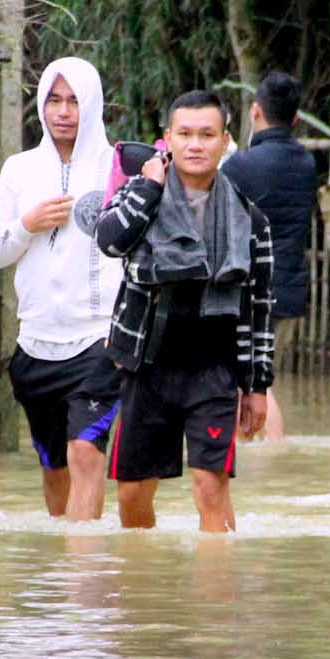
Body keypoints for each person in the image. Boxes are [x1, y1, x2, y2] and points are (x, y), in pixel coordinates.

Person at [95, 90, 276, 531]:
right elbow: (108, 240)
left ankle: (218, 595)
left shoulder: (250, 221)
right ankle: (146, 591)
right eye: (186, 134)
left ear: (226, 141)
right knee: (133, 492)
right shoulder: (141, 195)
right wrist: (151, 187)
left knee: (210, 486)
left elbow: (259, 306)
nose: (196, 144)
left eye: (207, 134)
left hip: (214, 367)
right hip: (147, 362)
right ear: (167, 139)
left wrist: (257, 385)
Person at [0, 57, 123, 520]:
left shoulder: (119, 167)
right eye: (54, 100)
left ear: (94, 105)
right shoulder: (19, 170)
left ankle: (83, 581)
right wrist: (27, 225)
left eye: (75, 101)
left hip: (99, 340)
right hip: (36, 346)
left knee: (86, 453)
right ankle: (61, 576)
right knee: (54, 465)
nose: (63, 112)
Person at [220, 71, 315, 441]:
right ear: (295, 119)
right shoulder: (306, 164)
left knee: (248, 379)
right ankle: (268, 452)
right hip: (288, 287)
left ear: (256, 110)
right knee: (262, 374)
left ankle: (264, 455)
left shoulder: (240, 166)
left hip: (247, 287)